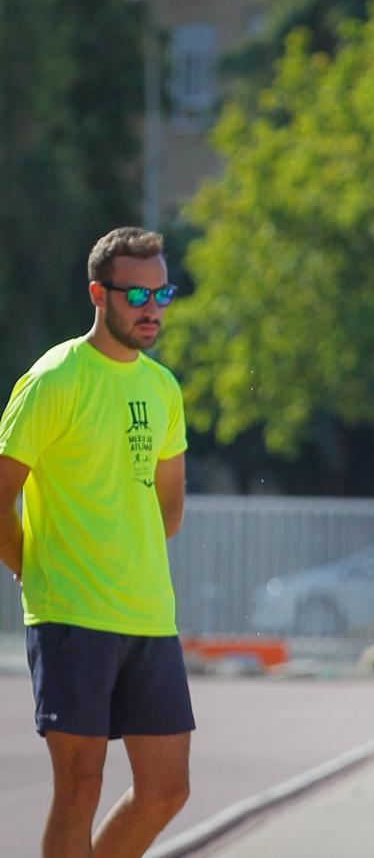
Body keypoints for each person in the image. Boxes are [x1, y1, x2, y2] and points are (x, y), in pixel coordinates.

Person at [0, 227, 193, 857]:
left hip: (148, 615)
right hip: (69, 615)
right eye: (136, 293)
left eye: (161, 291)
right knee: (79, 789)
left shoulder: (162, 387)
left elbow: (168, 512)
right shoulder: (55, 379)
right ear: (97, 294)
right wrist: (31, 567)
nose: (151, 307)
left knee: (166, 790)